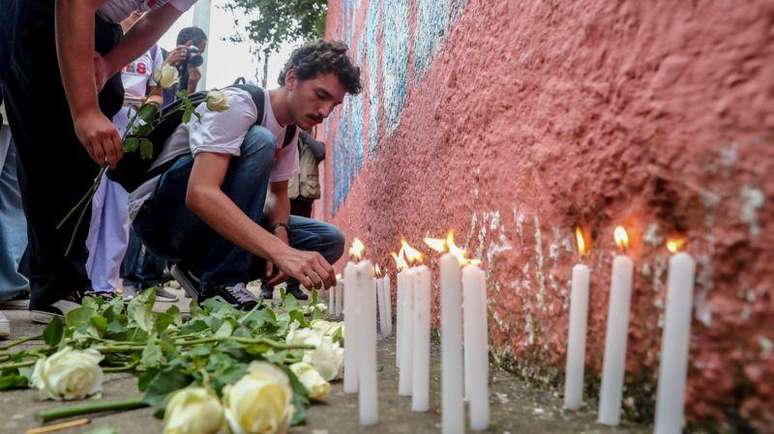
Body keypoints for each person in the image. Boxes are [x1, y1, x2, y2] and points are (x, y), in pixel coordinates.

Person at [1, 0, 197, 323]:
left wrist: (108, 65)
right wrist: (85, 110)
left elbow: (153, 22)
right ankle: (54, 282)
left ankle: (62, 285)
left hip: (103, 27)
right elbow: (75, 3)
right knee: (46, 147)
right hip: (47, 11)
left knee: (84, 159)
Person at [128, 40, 362, 310]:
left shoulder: (289, 131)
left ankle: (198, 272)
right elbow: (200, 193)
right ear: (291, 78)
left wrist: (280, 234)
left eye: (334, 104)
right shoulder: (238, 104)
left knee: (327, 240)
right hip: (160, 219)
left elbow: (278, 194)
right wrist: (281, 253)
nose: (324, 112)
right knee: (259, 140)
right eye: (321, 95)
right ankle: (221, 283)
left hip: (204, 229)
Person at [85, 10, 177, 302]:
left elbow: (158, 91)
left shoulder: (151, 48)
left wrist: (148, 110)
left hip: (134, 122)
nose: (137, 11)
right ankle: (80, 277)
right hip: (99, 113)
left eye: (143, 8)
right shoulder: (101, 32)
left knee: (119, 206)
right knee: (91, 201)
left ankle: (107, 282)